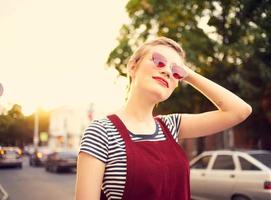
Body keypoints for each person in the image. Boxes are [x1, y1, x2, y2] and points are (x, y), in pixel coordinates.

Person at [75, 37, 252, 200]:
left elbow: (240, 111)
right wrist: (175, 66)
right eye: (159, 61)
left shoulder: (171, 126)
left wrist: (188, 74)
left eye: (175, 71)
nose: (167, 71)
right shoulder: (101, 131)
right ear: (132, 66)